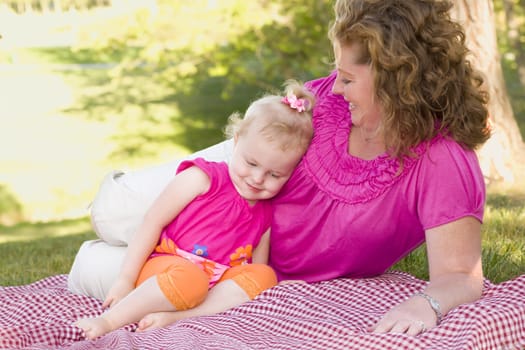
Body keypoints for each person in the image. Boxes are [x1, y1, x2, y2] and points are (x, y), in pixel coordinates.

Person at [69, 0, 490, 338]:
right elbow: (270, 135)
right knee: (112, 212)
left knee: (92, 269)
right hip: (238, 178)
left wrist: (427, 303)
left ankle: (122, 261)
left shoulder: (441, 160)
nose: (334, 88)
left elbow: (461, 276)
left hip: (241, 264)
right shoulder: (328, 103)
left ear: (395, 80)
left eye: (346, 78)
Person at [73, 80, 315, 340]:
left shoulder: (264, 213)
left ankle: (180, 317)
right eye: (251, 163)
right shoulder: (203, 178)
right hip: (170, 269)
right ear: (236, 141)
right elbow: (152, 222)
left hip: (215, 287)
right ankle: (109, 321)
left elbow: (255, 270)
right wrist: (125, 279)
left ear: (290, 173)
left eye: (274, 174)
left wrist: (271, 287)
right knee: (190, 279)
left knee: (264, 274)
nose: (257, 178)